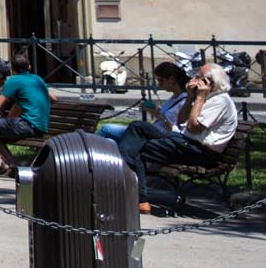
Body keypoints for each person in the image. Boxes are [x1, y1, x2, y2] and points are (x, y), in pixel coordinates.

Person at [122, 62, 239, 210]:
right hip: (184, 141)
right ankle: (121, 173)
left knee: (142, 148)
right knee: (138, 127)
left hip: (200, 151)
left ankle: (138, 196)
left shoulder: (220, 101)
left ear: (209, 82)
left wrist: (200, 98)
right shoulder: (207, 97)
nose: (193, 79)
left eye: (198, 77)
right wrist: (190, 97)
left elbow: (193, 127)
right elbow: (181, 120)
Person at [0, 53, 51, 175]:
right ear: (29, 67)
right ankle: (13, 165)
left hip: (27, 125)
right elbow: (53, 98)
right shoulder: (38, 79)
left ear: (12, 70)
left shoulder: (13, 81)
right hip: (41, 127)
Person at [96, 60, 193, 146]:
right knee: (110, 141)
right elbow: (165, 116)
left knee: (106, 128)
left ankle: (87, 153)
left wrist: (158, 115)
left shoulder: (184, 101)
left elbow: (176, 129)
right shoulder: (173, 98)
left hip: (158, 135)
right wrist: (153, 109)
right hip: (153, 130)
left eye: (161, 80)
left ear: (171, 79)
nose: (159, 84)